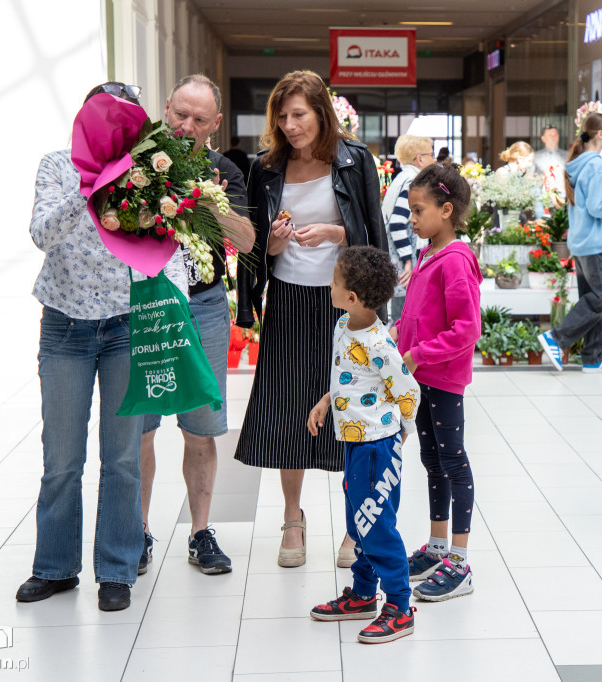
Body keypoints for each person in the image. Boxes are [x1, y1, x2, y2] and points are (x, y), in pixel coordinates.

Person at [16, 82, 187, 612]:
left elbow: (171, 238)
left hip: (126, 325)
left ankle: (116, 569)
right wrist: (91, 185)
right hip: (65, 325)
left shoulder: (152, 168)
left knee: (121, 458)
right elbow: (41, 233)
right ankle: (55, 567)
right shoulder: (55, 165)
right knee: (61, 458)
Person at [234, 70, 385, 569]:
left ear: (322, 113)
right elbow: (256, 244)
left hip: (345, 302)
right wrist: (274, 244)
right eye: (282, 115)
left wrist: (335, 233)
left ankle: (352, 524)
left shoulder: (354, 160)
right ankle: (293, 519)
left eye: (299, 114)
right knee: (286, 407)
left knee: (349, 409)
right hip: (288, 301)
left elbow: (371, 231)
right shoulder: (267, 167)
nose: (290, 124)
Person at [138, 75, 256, 578]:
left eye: (199, 120)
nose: (186, 126)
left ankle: (200, 531)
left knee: (202, 427)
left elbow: (248, 241)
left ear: (215, 125)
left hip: (204, 307)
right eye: (179, 114)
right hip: (142, 305)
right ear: (166, 108)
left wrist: (208, 203)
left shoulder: (224, 169)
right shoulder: (138, 161)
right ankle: (137, 533)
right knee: (138, 426)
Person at [307, 246, 420, 643]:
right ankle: (362, 594)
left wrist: (403, 429)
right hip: (354, 442)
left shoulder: (378, 345)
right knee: (359, 522)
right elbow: (346, 380)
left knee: (376, 525)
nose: (330, 284)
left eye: (335, 281)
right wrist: (325, 402)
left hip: (376, 446)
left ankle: (400, 606)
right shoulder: (343, 326)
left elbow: (408, 388)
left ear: (352, 297)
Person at [394, 163, 482, 601]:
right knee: (432, 459)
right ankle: (437, 547)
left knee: (453, 462)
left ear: (446, 210)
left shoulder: (455, 261)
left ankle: (460, 564)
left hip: (443, 378)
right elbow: (420, 315)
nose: (411, 219)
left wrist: (420, 353)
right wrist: (395, 334)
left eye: (417, 210)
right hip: (422, 376)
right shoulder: (429, 253)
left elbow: (467, 328)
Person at [538, 113, 602, 374]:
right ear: (599, 134)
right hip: (593, 242)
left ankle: (593, 357)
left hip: (580, 241)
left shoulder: (580, 163)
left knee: (593, 299)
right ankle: (556, 338)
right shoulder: (595, 164)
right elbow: (597, 207)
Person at [381, 135, 434, 322]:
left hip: (391, 258)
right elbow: (397, 223)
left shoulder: (401, 178)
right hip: (400, 262)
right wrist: (407, 260)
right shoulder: (412, 181)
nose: (434, 160)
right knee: (401, 320)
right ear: (419, 158)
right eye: (431, 154)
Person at [533, 125, 568, 205]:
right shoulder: (536, 157)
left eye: (555, 135)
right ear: (543, 138)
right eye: (550, 135)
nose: (553, 137)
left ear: (558, 137)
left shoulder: (567, 156)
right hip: (542, 199)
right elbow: (530, 177)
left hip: (563, 197)